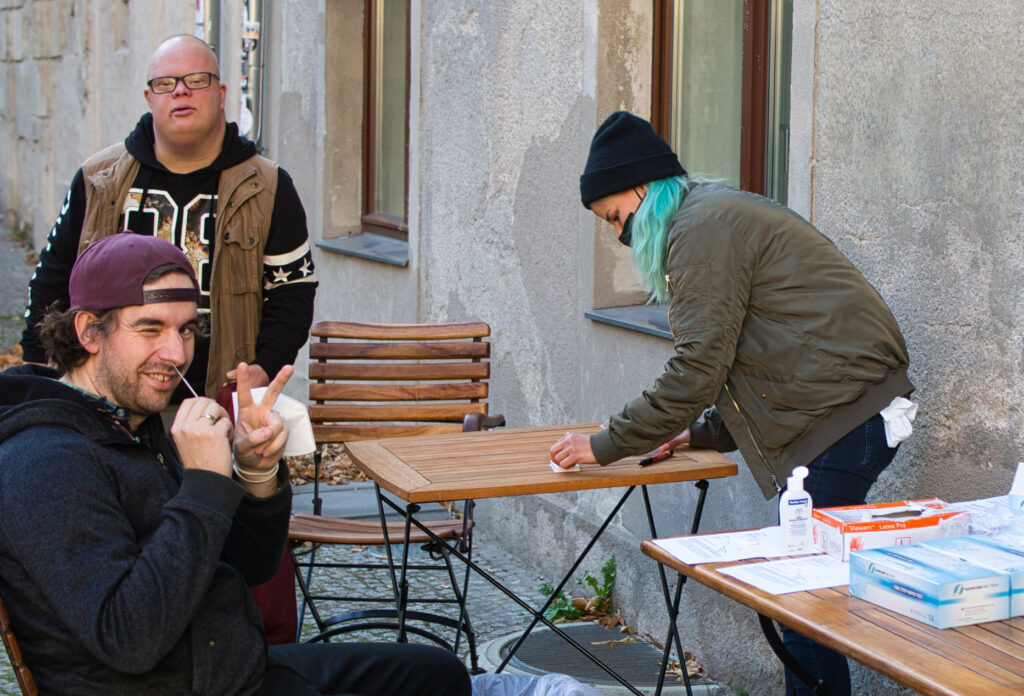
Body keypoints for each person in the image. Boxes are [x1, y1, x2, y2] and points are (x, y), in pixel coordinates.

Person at [0, 233, 470, 696]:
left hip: (230, 670)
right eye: (150, 329)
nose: (177, 354)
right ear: (88, 331)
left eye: (185, 329)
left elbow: (249, 565)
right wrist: (204, 483)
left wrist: (255, 473)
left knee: (438, 673)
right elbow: (130, 640)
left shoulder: (127, 424)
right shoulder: (46, 461)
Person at [550, 111, 915, 696]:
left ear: (641, 187)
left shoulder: (700, 231)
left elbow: (696, 370)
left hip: (847, 418)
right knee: (801, 603)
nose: (619, 235)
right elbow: (762, 363)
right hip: (844, 412)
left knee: (800, 606)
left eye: (616, 218)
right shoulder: (706, 217)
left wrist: (604, 445)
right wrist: (694, 435)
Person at [20, 33, 316, 401]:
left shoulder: (268, 187)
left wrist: (265, 366)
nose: (180, 92)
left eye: (196, 80)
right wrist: (43, 378)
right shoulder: (99, 179)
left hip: (216, 406)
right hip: (109, 405)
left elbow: (293, 292)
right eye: (165, 83)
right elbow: (51, 281)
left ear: (221, 93)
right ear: (149, 98)